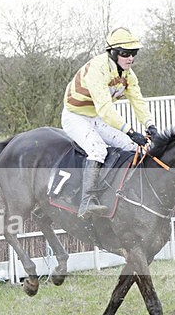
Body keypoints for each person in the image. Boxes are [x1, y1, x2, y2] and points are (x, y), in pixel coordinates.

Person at [61, 27, 158, 219]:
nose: (130, 58)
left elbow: (138, 101)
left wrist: (150, 125)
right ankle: (87, 202)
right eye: (125, 54)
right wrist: (131, 131)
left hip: (95, 117)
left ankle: (125, 194)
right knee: (98, 149)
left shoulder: (129, 76)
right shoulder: (98, 69)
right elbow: (106, 110)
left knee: (132, 147)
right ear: (113, 52)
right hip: (75, 116)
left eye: (134, 54)